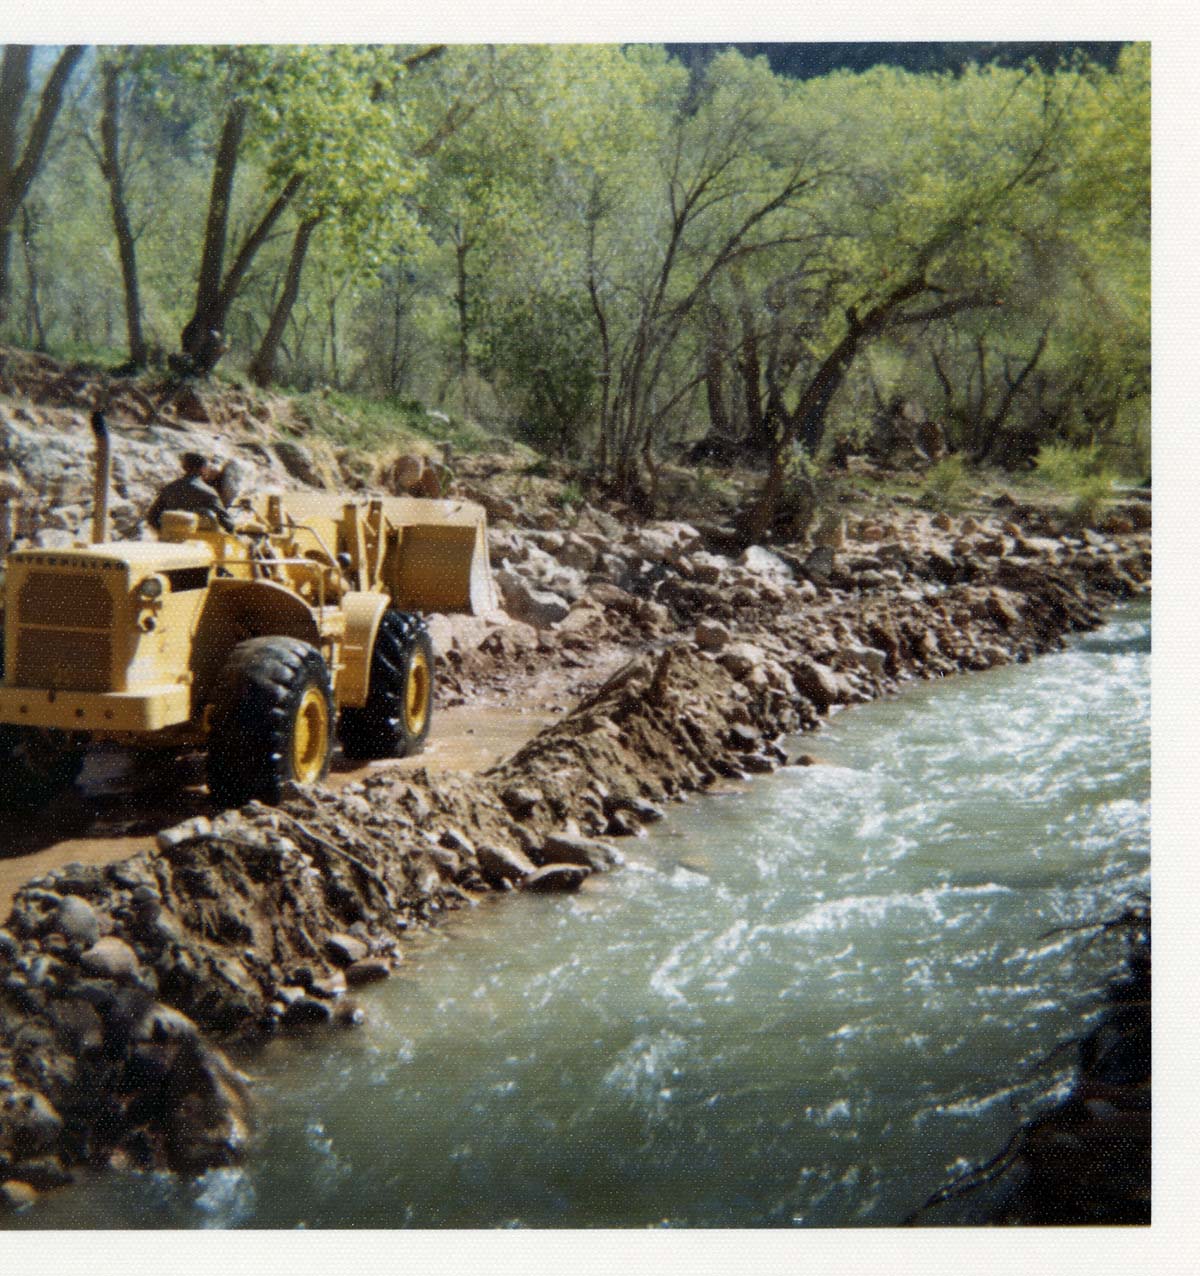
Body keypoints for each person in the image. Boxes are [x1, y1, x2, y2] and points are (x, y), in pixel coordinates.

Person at [146, 451, 235, 532]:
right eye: (207, 467)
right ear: (202, 469)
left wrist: (165, 532)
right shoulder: (207, 492)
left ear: (184, 467)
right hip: (200, 542)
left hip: (170, 538)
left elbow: (152, 517)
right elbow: (227, 523)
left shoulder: (169, 488)